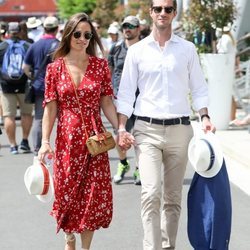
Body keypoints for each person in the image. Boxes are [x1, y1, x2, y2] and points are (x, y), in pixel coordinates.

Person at [116, 0, 215, 249]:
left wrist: (204, 116)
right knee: (150, 193)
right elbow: (127, 93)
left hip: (180, 131)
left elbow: (199, 88)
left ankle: (168, 246)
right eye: (158, 9)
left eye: (168, 9)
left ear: (174, 13)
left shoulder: (187, 49)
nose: (163, 13)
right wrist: (120, 127)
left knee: (172, 198)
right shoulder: (137, 51)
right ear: (150, 13)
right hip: (146, 130)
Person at [37, 13, 122, 250]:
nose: (83, 39)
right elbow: (50, 108)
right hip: (66, 139)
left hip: (95, 140)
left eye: (87, 35)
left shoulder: (100, 65)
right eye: (78, 34)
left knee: (93, 196)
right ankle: (69, 236)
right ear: (68, 34)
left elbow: (106, 102)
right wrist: (45, 141)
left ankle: (85, 248)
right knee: (66, 192)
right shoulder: (54, 69)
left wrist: (120, 129)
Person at [108, 15, 141, 185]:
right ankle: (123, 163)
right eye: (125, 26)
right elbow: (109, 72)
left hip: (142, 99)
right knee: (118, 136)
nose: (127, 29)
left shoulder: (146, 48)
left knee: (140, 137)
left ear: (138, 29)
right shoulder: (116, 49)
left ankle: (139, 169)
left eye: (131, 26)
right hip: (120, 100)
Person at [23, 16, 59, 156]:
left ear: (44, 28)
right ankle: (61, 147)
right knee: (61, 118)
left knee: (39, 117)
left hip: (39, 86)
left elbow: (25, 67)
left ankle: (38, 149)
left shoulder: (35, 45)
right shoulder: (59, 45)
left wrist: (33, 77)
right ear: (57, 29)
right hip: (58, 87)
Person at [0, 22, 33, 154]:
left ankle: (13, 145)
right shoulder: (27, 46)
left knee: (9, 116)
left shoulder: (2, 47)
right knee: (26, 114)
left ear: (7, 33)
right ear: (20, 32)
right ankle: (24, 141)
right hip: (25, 85)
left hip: (6, 86)